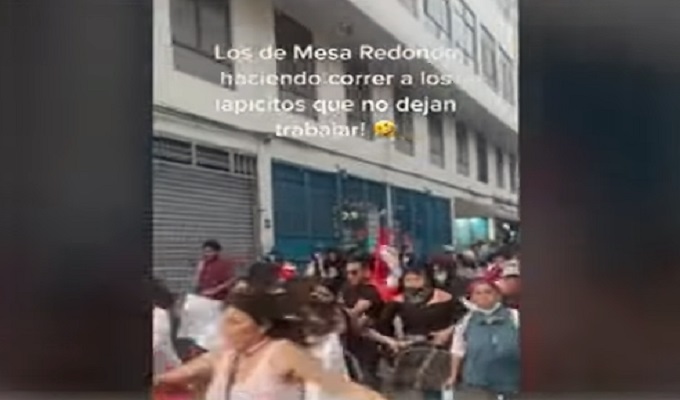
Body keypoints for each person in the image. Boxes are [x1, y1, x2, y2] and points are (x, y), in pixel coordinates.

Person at [154, 276, 386, 400]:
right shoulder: (227, 355)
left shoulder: (285, 352)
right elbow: (186, 373)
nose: (226, 328)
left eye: (236, 322)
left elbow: (339, 388)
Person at [371, 267, 464, 400]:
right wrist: (393, 342)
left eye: (417, 279)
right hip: (412, 348)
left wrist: (448, 331)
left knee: (439, 386)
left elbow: (463, 318)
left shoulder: (444, 297)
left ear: (426, 279)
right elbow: (383, 324)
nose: (413, 283)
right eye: (408, 280)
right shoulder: (398, 301)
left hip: (441, 347)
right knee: (412, 387)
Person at [446, 279, 520, 400]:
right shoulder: (465, 321)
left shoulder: (514, 316)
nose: (483, 296)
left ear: (498, 296)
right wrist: (453, 376)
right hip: (477, 378)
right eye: (478, 293)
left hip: (511, 377)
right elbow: (457, 350)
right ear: (472, 298)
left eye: (488, 292)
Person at [338, 254, 384, 389]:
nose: (350, 276)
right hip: (348, 344)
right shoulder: (346, 289)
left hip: (367, 346)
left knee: (367, 382)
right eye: (347, 273)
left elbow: (353, 313)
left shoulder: (371, 292)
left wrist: (340, 311)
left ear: (365, 272)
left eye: (354, 273)